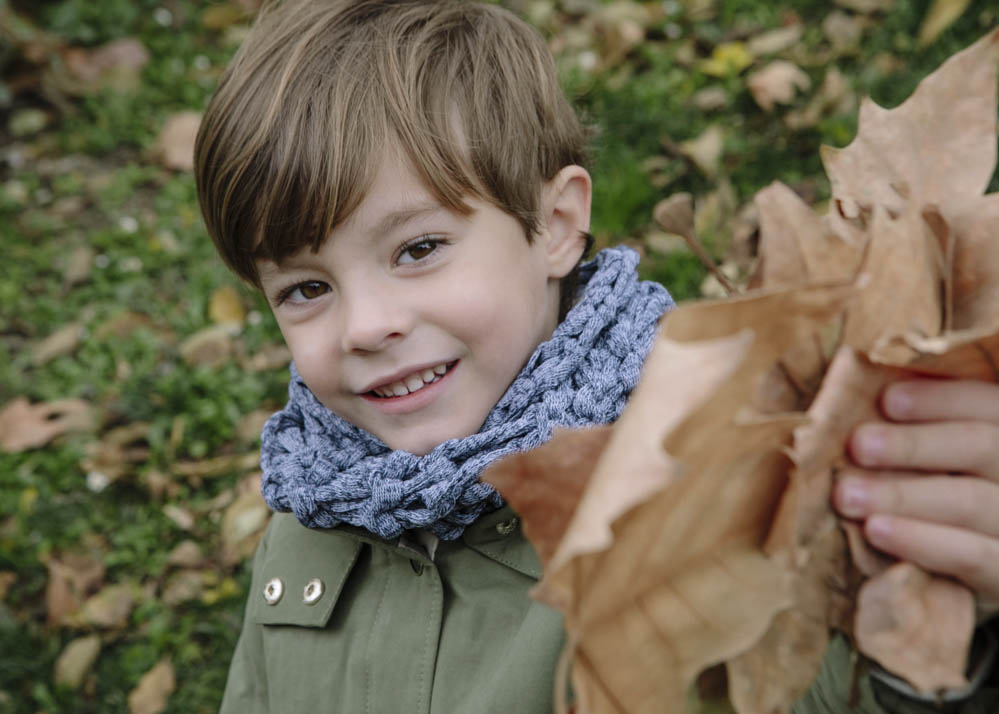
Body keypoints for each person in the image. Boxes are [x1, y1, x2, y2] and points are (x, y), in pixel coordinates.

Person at [192, 1, 999, 711]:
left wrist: (931, 620)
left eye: (418, 249)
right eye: (305, 288)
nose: (364, 326)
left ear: (553, 224)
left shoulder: (712, 468)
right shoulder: (312, 513)